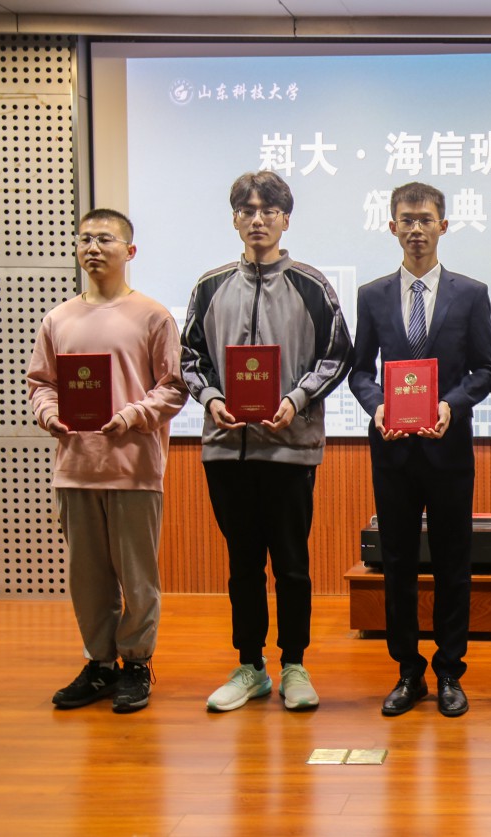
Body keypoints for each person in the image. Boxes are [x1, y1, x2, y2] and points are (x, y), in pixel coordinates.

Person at [181, 171, 352, 713]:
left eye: (268, 210)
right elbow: (190, 357)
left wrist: (295, 400)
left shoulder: (311, 285)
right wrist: (211, 399)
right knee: (243, 565)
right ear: (234, 218)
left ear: (285, 219)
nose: (258, 220)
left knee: (292, 564)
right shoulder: (209, 286)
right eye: (247, 210)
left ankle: (295, 664)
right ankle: (250, 666)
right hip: (226, 448)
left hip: (289, 447)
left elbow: (337, 354)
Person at [28, 208, 187, 713]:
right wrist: (50, 414)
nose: (93, 248)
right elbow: (41, 384)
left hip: (134, 468)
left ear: (130, 251)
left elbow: (174, 387)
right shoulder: (58, 319)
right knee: (88, 577)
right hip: (76, 468)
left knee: (137, 578)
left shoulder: (153, 316)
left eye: (105, 239)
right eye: (85, 239)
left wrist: (132, 415)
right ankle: (99, 664)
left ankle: (136, 664)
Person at [349, 182, 491, 718]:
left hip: (448, 449)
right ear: (392, 227)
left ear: (443, 225)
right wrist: (377, 406)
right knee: (398, 564)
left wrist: (451, 405)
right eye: (407, 220)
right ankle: (408, 671)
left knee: (454, 562)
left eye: (426, 219)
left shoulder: (471, 293)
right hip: (392, 450)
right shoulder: (371, 295)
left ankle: (450, 670)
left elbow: (486, 367)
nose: (416, 229)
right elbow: (360, 371)